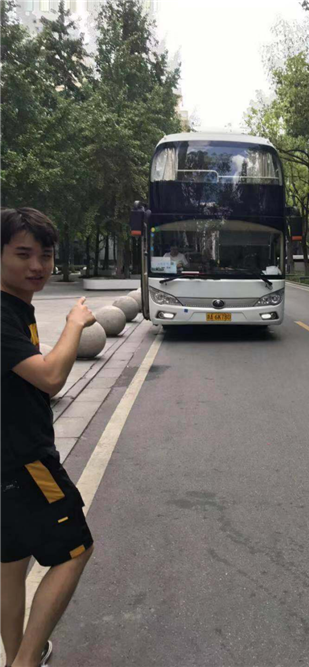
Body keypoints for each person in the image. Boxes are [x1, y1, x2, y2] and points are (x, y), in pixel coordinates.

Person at [1, 208, 96, 667]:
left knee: (10, 564)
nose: (37, 266)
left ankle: (16, 656)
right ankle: (26, 661)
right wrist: (75, 323)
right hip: (24, 460)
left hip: (6, 459)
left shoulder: (16, 306)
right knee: (76, 550)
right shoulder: (2, 314)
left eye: (46, 255)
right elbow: (51, 378)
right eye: (23, 254)